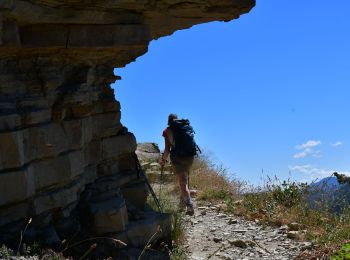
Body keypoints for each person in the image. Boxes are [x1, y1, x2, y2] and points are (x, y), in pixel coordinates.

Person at [160, 113, 195, 215]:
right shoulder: (185, 126)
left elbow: (167, 149)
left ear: (169, 121)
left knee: (182, 183)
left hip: (177, 158)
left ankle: (189, 205)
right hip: (189, 156)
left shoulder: (167, 131)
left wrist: (163, 160)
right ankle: (182, 203)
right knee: (185, 180)